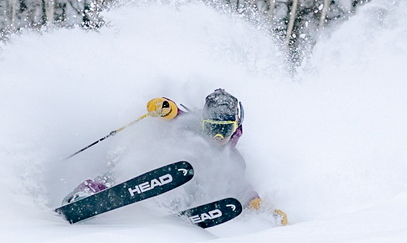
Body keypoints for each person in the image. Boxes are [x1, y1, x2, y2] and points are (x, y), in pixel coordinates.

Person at [64, 89, 288, 225]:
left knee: (214, 181)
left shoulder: (233, 159)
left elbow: (242, 188)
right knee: (132, 163)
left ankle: (186, 211)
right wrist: (165, 108)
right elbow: (175, 113)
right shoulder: (191, 125)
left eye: (225, 129)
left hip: (187, 192)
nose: (218, 136)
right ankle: (89, 193)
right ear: (203, 122)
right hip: (156, 166)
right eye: (212, 128)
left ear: (236, 127)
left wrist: (262, 209)